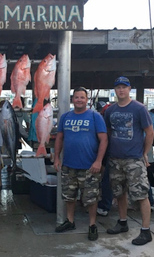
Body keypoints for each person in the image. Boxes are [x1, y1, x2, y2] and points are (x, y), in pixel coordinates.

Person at [53, 87, 108, 241]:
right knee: (69, 196)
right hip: (69, 165)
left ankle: (92, 225)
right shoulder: (65, 117)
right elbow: (59, 138)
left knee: (91, 198)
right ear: (73, 99)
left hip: (90, 166)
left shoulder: (95, 116)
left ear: (87, 100)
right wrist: (57, 158)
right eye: (76, 97)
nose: (79, 100)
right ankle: (70, 221)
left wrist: (98, 161)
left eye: (82, 97)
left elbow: (104, 139)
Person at [104, 76, 153, 245]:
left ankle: (146, 231)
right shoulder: (110, 110)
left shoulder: (139, 109)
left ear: (129, 88)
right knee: (119, 193)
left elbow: (150, 132)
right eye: (118, 87)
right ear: (115, 90)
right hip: (115, 159)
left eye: (124, 87)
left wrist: (145, 153)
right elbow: (108, 133)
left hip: (134, 159)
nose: (121, 90)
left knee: (141, 194)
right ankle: (123, 221)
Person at [96, 101, 113, 217]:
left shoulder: (104, 118)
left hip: (111, 151)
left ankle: (104, 206)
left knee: (107, 180)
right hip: (110, 151)